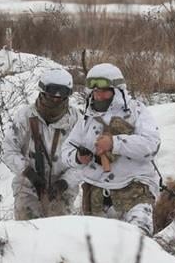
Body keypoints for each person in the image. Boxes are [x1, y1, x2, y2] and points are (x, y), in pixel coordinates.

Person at [61, 63, 160, 236]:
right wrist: (77, 157)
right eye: (96, 91)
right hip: (96, 197)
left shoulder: (137, 111)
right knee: (99, 252)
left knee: (139, 246)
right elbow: (66, 150)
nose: (99, 96)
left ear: (117, 90)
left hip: (134, 193)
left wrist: (115, 143)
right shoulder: (87, 118)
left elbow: (151, 146)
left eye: (105, 91)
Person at [4, 68, 81, 220]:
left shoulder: (77, 120)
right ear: (43, 92)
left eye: (61, 96)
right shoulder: (25, 116)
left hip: (62, 189)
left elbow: (83, 162)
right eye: (52, 94)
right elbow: (9, 150)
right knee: (27, 230)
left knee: (58, 234)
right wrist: (29, 173)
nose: (56, 99)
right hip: (28, 186)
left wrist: (65, 183)